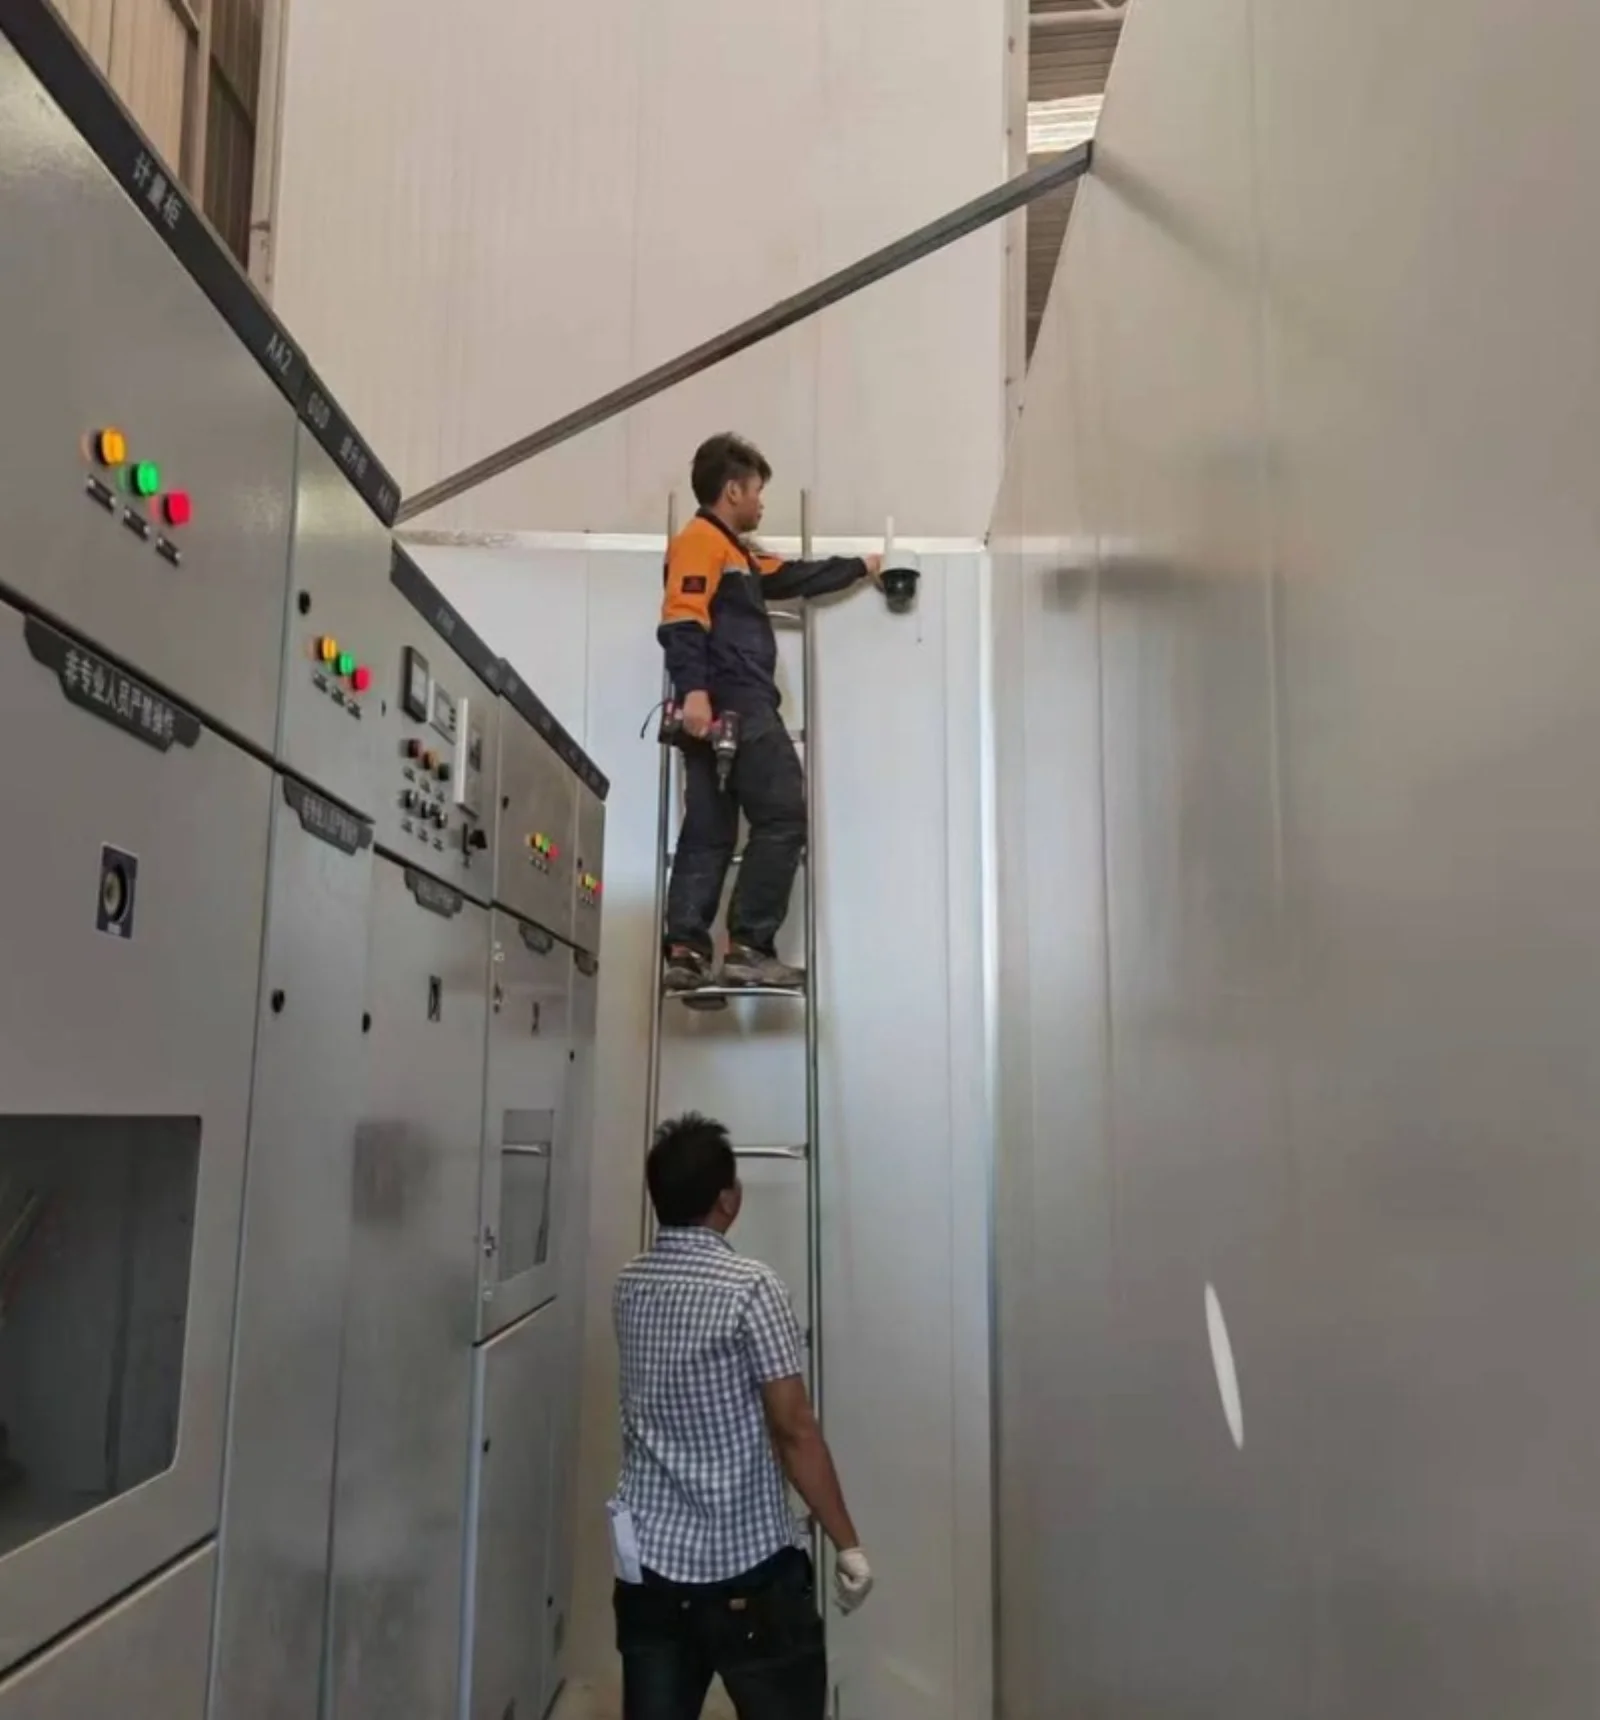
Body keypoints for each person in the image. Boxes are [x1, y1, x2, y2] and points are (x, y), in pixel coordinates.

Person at [610, 1113, 872, 1720]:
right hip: (747, 1574)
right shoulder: (750, 1287)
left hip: (649, 1570)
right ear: (729, 1199)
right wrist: (848, 1545)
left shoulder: (630, 1284)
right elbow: (794, 1430)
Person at [658, 433, 881, 993]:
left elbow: (792, 577)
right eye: (757, 491)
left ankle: (686, 950)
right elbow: (682, 619)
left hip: (716, 708)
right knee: (782, 814)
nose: (761, 503)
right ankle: (750, 947)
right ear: (732, 489)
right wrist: (695, 694)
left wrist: (862, 565)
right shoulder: (699, 543)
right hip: (735, 701)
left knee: (710, 830)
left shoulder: (738, 554)